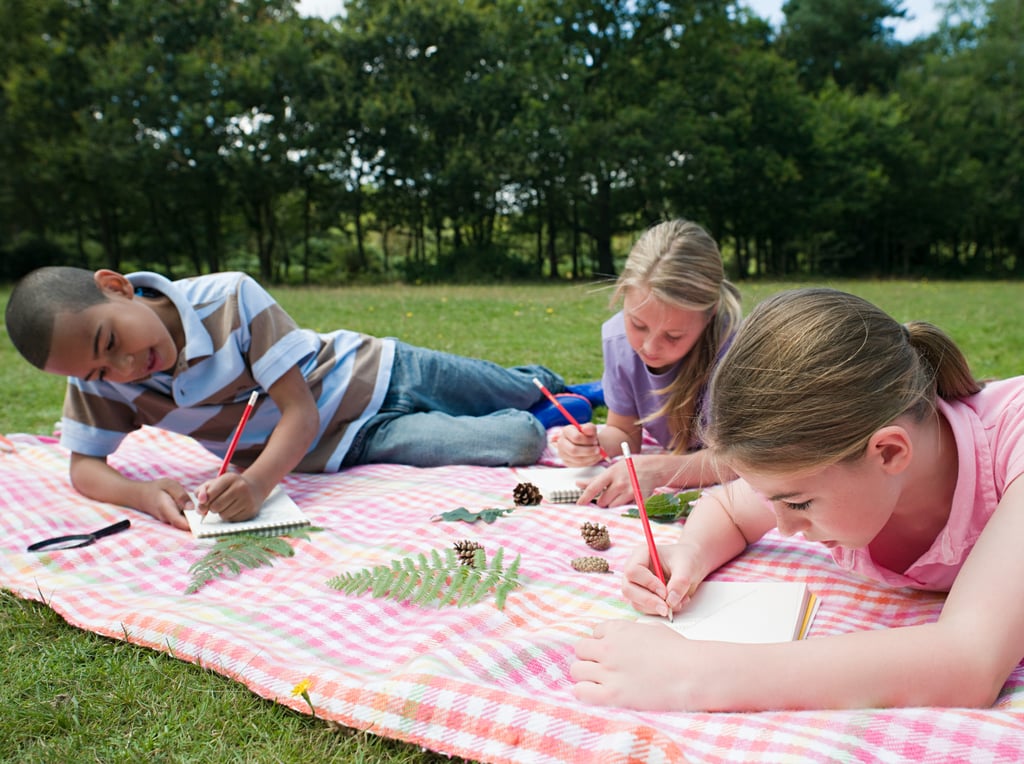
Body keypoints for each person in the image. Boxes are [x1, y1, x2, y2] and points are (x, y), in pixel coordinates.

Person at [571, 287, 1024, 712]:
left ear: (888, 451)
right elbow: (730, 508)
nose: (784, 527)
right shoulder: (837, 464)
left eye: (800, 504)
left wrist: (691, 673)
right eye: (775, 502)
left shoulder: (1013, 444)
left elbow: (969, 662)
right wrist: (688, 552)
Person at [5, 267, 601, 531]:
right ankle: (546, 414)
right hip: (352, 443)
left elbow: (299, 408)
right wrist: (140, 493)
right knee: (520, 439)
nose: (124, 368)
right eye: (101, 370)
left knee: (530, 391)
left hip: (383, 371)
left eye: (112, 342)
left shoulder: (231, 298)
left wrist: (258, 485)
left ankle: (561, 391)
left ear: (117, 288)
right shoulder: (101, 379)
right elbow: (84, 468)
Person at [558, 219, 742, 506]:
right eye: (638, 324)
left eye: (673, 335)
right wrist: (591, 445)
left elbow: (744, 457)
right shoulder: (618, 341)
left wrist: (660, 471)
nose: (649, 347)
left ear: (711, 314)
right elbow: (625, 434)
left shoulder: (737, 353)